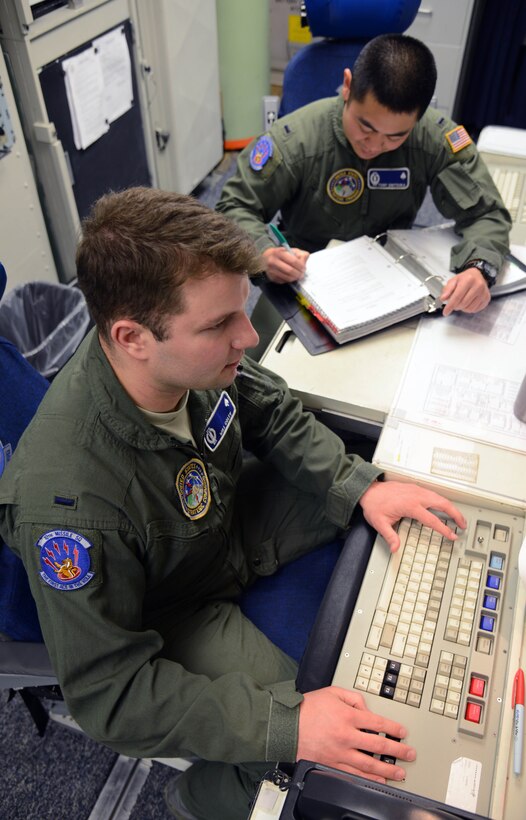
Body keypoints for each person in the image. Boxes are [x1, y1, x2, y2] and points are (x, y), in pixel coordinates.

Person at [0, 188, 467, 820]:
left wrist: (362, 486)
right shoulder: (68, 507)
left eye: (240, 310)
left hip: (225, 521)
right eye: (219, 325)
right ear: (132, 337)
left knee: (414, 503)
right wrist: (290, 726)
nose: (247, 336)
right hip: (176, 607)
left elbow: (267, 407)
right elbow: (112, 696)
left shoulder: (178, 359)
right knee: (333, 755)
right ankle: (204, 798)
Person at [217, 34, 511, 326]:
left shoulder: (434, 137)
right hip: (303, 278)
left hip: (393, 281)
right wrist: (264, 251)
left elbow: (486, 213)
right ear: (347, 86)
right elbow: (233, 207)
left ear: (419, 118)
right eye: (365, 126)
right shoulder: (295, 140)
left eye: (395, 136)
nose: (373, 144)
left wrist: (478, 268)